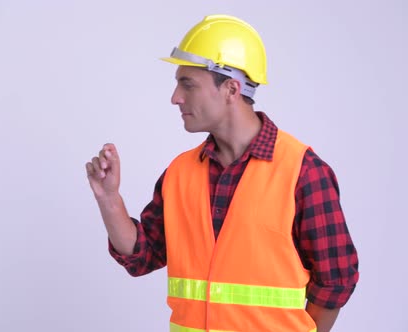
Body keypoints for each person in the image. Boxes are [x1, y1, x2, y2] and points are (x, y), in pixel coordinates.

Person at [85, 14, 358, 332]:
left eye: (187, 83)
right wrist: (109, 199)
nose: (175, 97)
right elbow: (142, 256)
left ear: (231, 88)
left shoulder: (302, 171)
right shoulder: (179, 174)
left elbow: (336, 282)